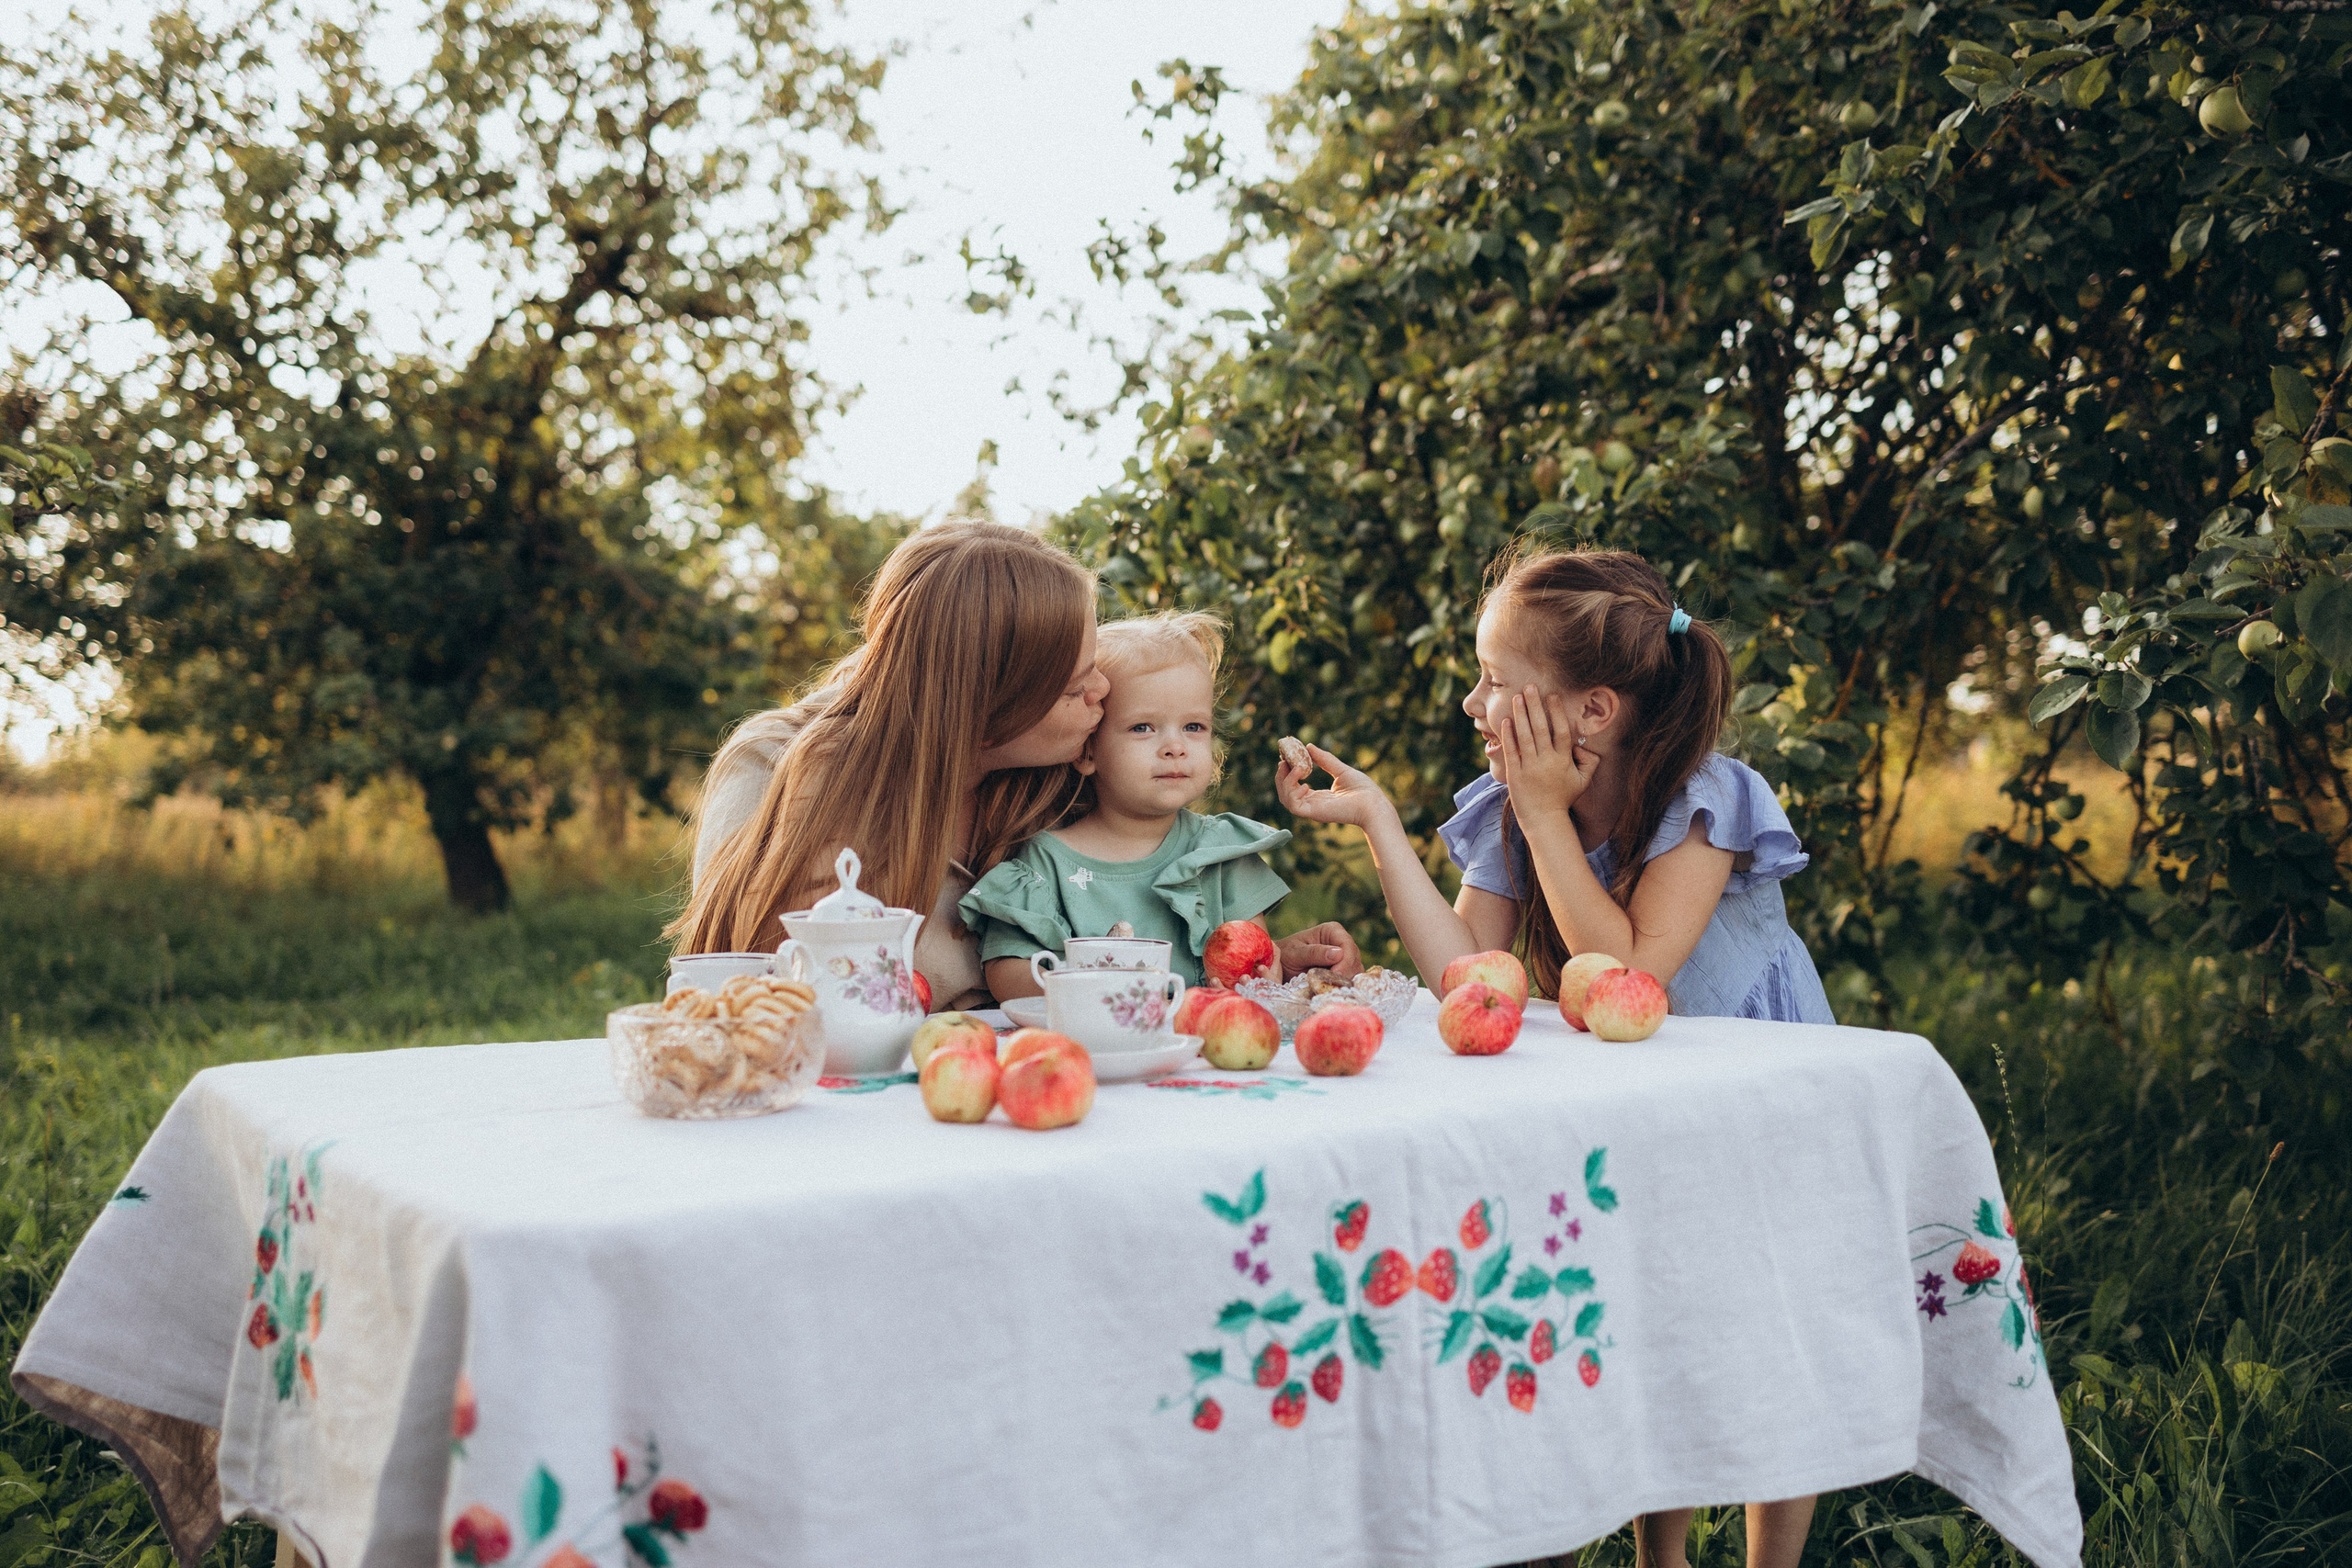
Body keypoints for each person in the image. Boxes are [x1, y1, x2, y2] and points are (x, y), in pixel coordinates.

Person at [1274, 543, 1828, 1568]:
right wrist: (1379, 825)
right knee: (1651, 1306)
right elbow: (1467, 974)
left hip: (1743, 1094)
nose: (1472, 703)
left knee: (1749, 1323)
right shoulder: (1509, 808)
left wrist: (1540, 814)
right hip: (1629, 1102)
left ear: (1592, 713)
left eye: (1495, 683)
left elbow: (1628, 978)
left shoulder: (1706, 799)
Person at [675, 524, 1358, 1010]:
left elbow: (1133, 929)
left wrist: (1256, 963)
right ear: (987, 706)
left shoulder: (1053, 777)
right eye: (1072, 687)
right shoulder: (775, 772)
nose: (1102, 696)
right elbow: (732, 1000)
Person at [963, 612, 1349, 998]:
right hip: (1098, 1053)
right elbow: (1008, 975)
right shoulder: (1043, 867)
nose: (1175, 747)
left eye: (1193, 727)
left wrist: (1266, 977)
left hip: (1210, 1050)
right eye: (1142, 727)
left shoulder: (1221, 855)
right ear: (1087, 750)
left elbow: (1257, 966)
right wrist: (1093, 989)